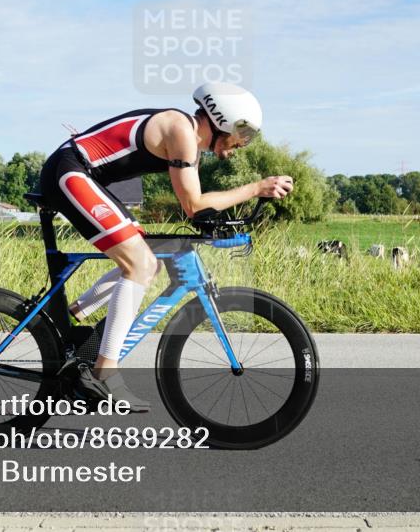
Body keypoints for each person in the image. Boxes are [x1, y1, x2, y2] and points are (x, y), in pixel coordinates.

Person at [38, 82, 294, 410]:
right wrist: (257, 188)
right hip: (70, 171)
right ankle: (104, 371)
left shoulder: (189, 141)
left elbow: (198, 207)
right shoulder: (182, 132)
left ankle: (66, 322)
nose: (242, 144)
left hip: (82, 173)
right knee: (140, 265)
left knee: (149, 262)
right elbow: (194, 205)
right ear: (223, 120)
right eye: (242, 133)